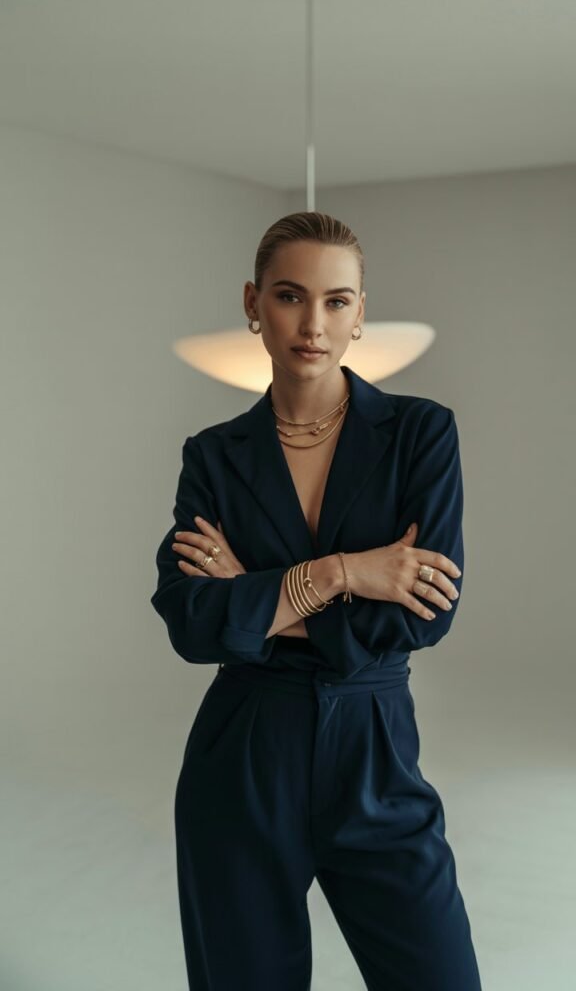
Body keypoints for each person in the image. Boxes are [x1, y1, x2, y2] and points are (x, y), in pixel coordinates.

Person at [150, 211, 482, 990]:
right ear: (253, 304)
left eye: (337, 301)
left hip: (374, 749)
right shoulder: (214, 456)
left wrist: (256, 604)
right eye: (291, 296)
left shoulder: (419, 435)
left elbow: (421, 614)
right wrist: (342, 572)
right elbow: (192, 624)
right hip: (240, 760)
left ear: (361, 312)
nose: (313, 322)